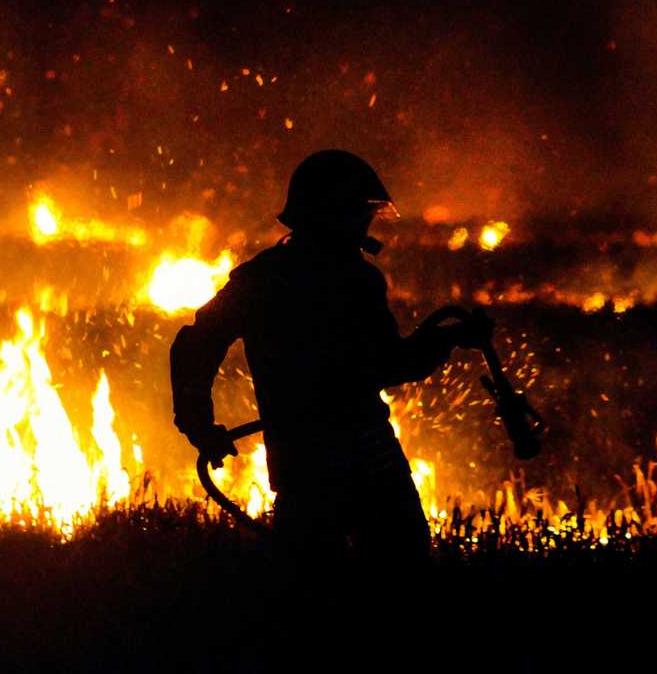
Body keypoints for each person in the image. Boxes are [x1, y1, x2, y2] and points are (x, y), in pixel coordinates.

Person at [169, 150, 481, 568]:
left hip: (306, 467)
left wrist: (198, 423)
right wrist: (448, 340)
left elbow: (195, 344)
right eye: (359, 211)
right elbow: (390, 365)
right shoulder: (354, 281)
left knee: (308, 589)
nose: (365, 223)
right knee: (398, 579)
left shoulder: (263, 279)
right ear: (334, 212)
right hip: (362, 464)